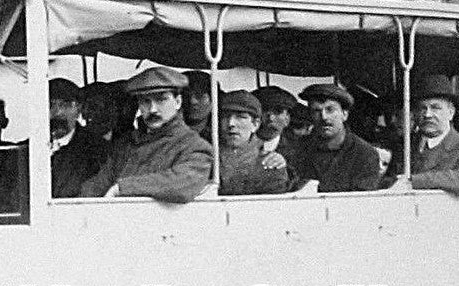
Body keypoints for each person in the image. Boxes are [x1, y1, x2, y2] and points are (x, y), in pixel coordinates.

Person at [80, 67, 213, 202]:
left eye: (161, 100)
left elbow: (182, 184)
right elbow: (97, 185)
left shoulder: (194, 147)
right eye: (145, 101)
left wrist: (122, 188)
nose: (152, 109)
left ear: (178, 102)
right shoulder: (126, 145)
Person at [388, 74, 459, 197]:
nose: (427, 114)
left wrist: (413, 181)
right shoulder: (405, 145)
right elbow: (388, 181)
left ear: (451, 112)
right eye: (422, 108)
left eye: (435, 108)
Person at [296, 83, 381, 193]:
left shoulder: (365, 154)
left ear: (344, 114)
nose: (324, 117)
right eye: (316, 111)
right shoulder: (298, 150)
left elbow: (362, 200)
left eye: (330, 110)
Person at [216, 90, 289, 196]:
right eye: (225, 116)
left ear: (255, 124)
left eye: (241, 117)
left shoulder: (269, 164)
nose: (231, 123)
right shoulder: (206, 158)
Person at [48, 78, 109, 198]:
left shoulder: (97, 150)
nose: (58, 112)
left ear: (78, 109)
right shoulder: (27, 150)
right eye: (50, 104)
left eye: (65, 105)